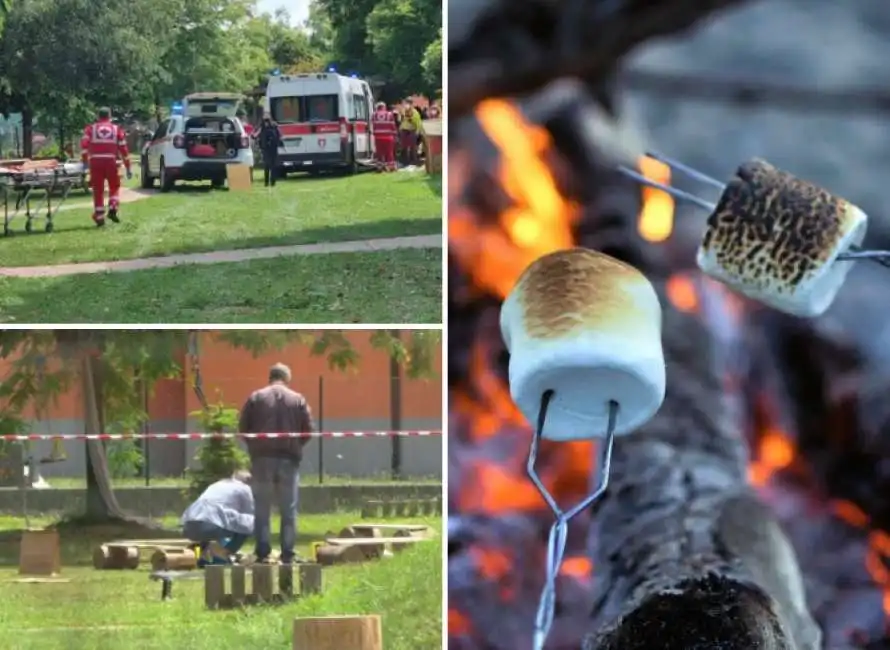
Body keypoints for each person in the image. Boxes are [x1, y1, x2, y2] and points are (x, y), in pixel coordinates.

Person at [239, 363, 315, 564]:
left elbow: (243, 428)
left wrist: (255, 447)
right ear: (287, 379)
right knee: (288, 509)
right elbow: (308, 430)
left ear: (269, 377)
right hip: (289, 458)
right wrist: (296, 446)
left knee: (262, 507)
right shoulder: (298, 399)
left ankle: (263, 553)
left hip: (262, 459)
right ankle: (288, 553)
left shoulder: (256, 397)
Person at [181, 470, 254, 568]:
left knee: (209, 530)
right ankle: (222, 554)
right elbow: (249, 513)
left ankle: (198, 557)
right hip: (210, 526)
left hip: (189, 525)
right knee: (248, 525)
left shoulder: (216, 484)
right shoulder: (244, 488)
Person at [80, 107, 132, 227]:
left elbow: (84, 146)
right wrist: (128, 167)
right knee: (114, 186)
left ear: (98, 116)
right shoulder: (116, 129)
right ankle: (113, 205)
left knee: (98, 190)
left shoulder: (90, 129)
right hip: (111, 162)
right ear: (110, 116)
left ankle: (99, 217)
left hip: (95, 162)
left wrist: (85, 162)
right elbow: (124, 149)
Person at [255, 114, 282, 187]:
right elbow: (279, 135)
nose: (266, 122)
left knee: (269, 166)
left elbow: (257, 135)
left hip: (268, 148)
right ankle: (269, 182)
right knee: (270, 166)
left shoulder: (267, 127)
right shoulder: (271, 126)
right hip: (269, 148)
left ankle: (270, 182)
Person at [371, 101, 397, 172]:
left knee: (379, 153)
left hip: (378, 137)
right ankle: (391, 167)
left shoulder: (374, 115)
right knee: (389, 152)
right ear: (384, 107)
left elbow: (372, 125)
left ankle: (379, 167)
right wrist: (395, 135)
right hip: (388, 137)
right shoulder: (389, 114)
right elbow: (392, 125)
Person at [398, 99, 423, 167]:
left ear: (411, 104)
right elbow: (401, 121)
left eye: (407, 103)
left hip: (412, 130)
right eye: (405, 103)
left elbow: (418, 123)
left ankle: (414, 161)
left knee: (413, 147)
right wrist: (400, 129)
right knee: (404, 146)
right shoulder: (403, 111)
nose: (406, 105)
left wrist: (417, 132)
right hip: (404, 130)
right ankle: (405, 161)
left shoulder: (415, 112)